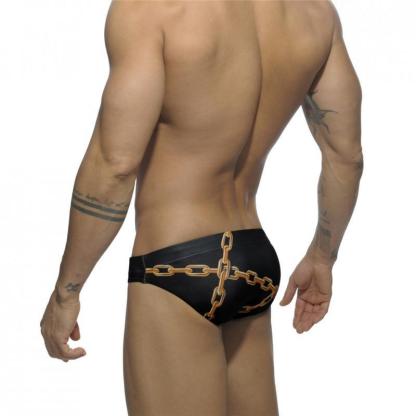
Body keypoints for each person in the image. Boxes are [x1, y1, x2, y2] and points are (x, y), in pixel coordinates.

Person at [40, 1, 363, 415]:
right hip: (254, 261)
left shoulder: (151, 10)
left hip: (174, 265)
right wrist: (322, 257)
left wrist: (66, 291)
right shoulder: (314, 13)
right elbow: (346, 157)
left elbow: (115, 165)